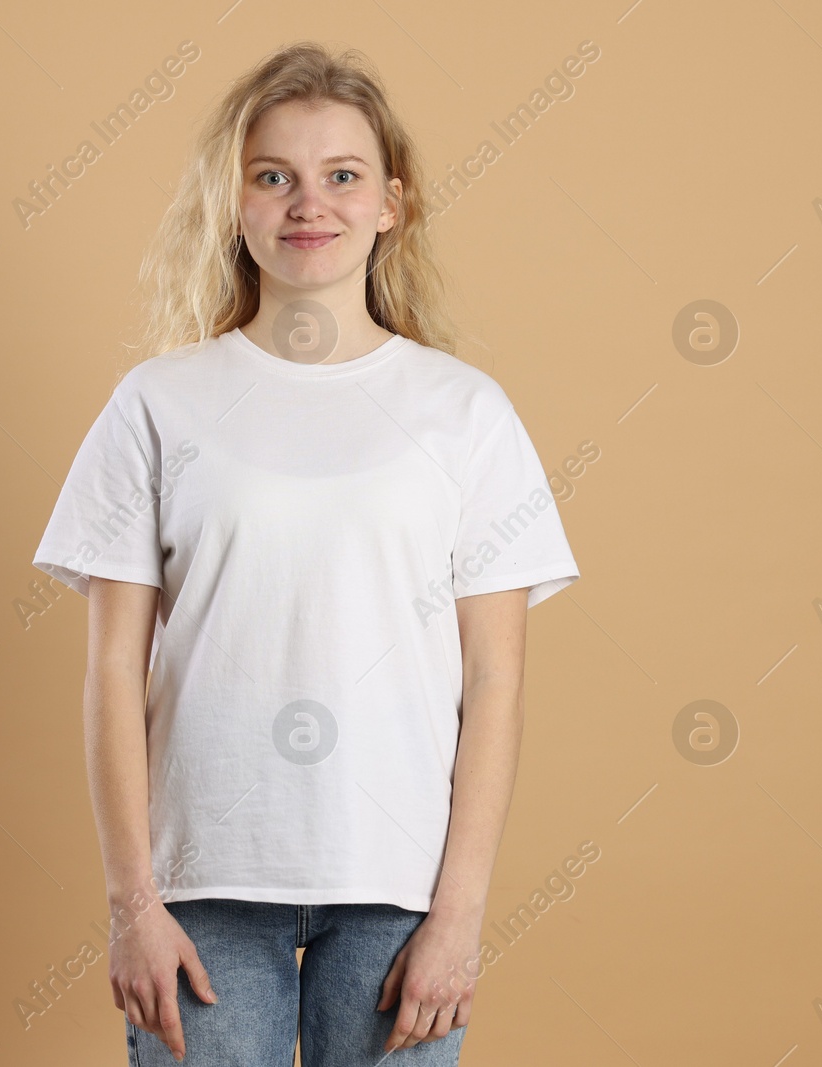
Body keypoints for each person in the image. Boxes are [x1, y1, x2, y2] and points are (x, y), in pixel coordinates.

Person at [31, 41, 581, 1066]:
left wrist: (458, 916)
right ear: (232, 201)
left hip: (399, 891)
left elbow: (496, 679)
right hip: (198, 890)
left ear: (391, 204)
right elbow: (112, 669)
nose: (306, 203)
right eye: (272, 175)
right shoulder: (156, 404)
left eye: (342, 176)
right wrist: (131, 905)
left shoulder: (464, 413)